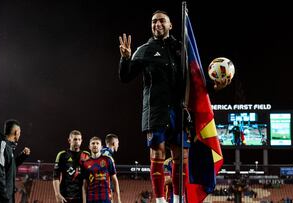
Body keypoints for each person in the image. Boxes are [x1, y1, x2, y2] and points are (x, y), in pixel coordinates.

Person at [118, 10, 231, 203]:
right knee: (158, 152)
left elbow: (196, 83)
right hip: (155, 111)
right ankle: (161, 201)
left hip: (179, 111)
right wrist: (126, 58)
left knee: (181, 157)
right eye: (154, 21)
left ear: (171, 25)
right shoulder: (144, 50)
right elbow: (125, 77)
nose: (157, 24)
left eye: (162, 21)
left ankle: (178, 199)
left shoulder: (182, 50)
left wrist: (214, 87)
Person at [0, 119, 31, 203]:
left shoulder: (8, 147)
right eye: (20, 132)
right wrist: (5, 198)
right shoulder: (1, 146)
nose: (20, 134)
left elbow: (9, 167)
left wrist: (22, 156)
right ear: (16, 132)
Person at [53, 130, 90, 203]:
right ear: (69, 140)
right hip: (65, 196)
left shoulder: (87, 155)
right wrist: (57, 194)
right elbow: (55, 176)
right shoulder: (62, 155)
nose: (77, 141)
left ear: (81, 141)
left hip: (81, 197)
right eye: (75, 139)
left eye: (79, 139)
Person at [82, 136, 121, 203]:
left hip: (105, 199)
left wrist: (119, 199)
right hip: (91, 199)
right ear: (89, 146)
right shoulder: (85, 163)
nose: (95, 145)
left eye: (97, 143)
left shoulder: (108, 160)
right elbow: (84, 184)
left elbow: (115, 180)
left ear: (101, 147)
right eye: (93, 143)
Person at [101, 133, 121, 201]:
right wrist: (118, 199)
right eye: (117, 143)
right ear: (113, 143)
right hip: (104, 191)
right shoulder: (108, 157)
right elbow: (114, 178)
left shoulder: (100, 151)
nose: (118, 145)